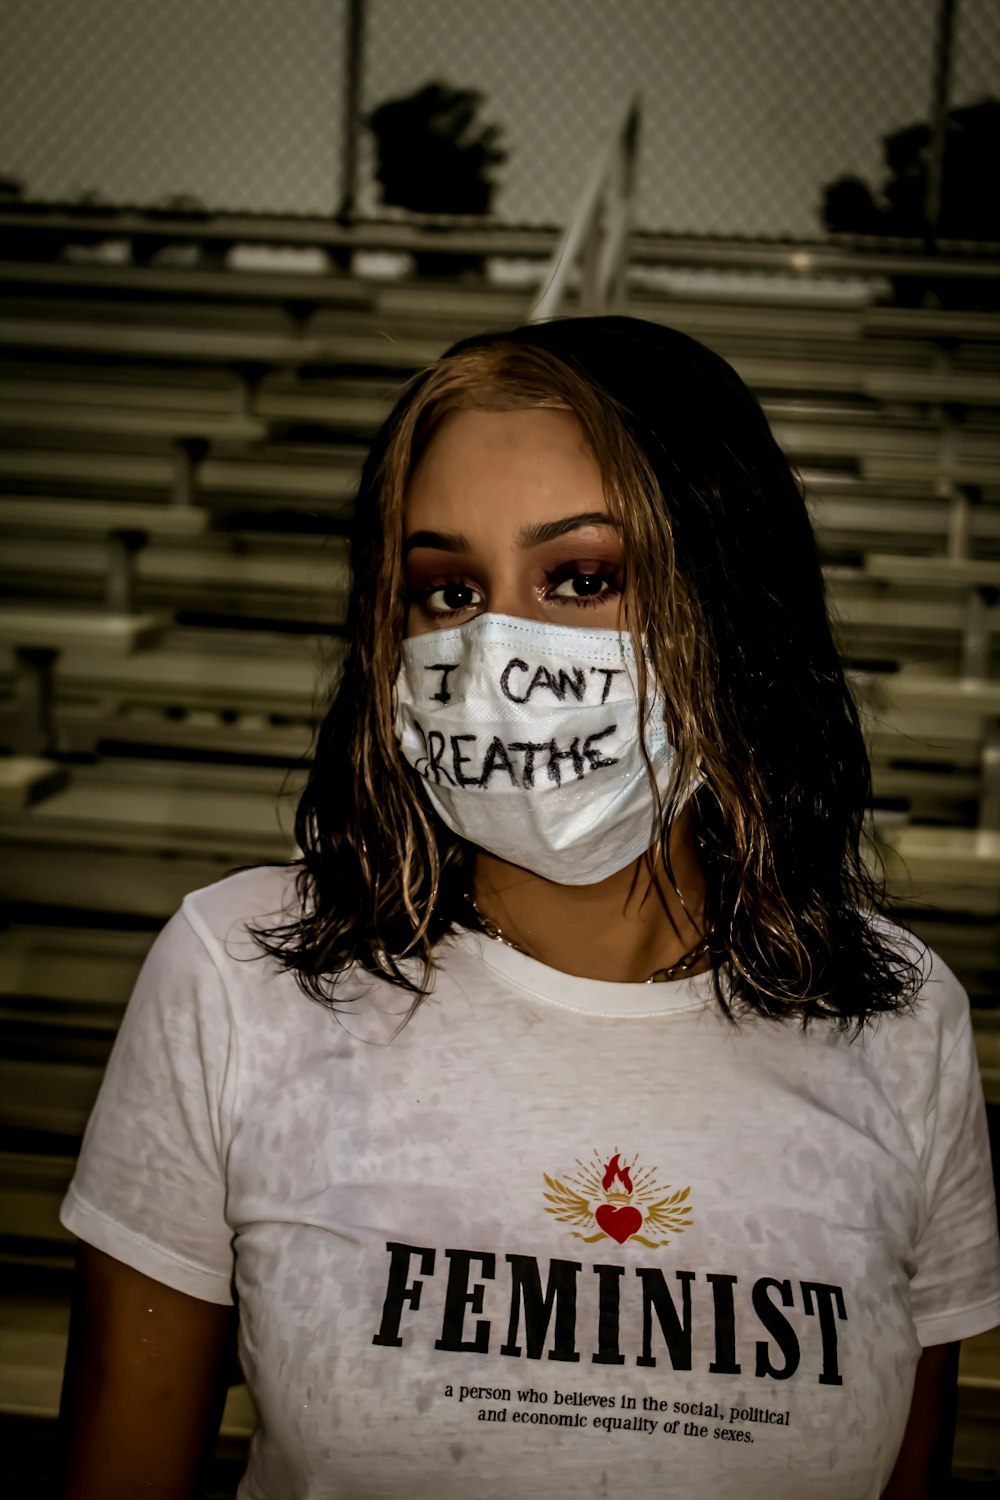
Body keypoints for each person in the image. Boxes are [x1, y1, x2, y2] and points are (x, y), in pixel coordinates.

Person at [57, 316, 1000, 1499]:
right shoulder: (237, 979)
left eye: (583, 578)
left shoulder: (903, 1026)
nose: (499, 648)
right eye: (446, 589)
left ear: (730, 607)